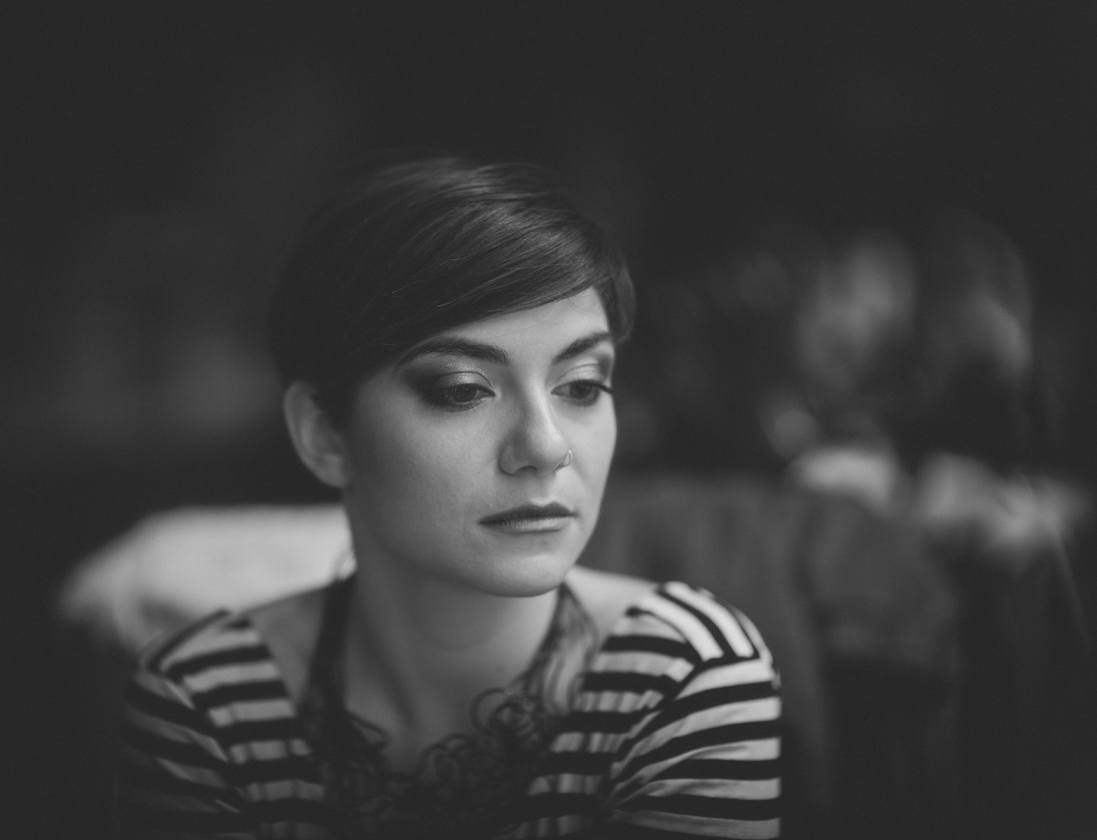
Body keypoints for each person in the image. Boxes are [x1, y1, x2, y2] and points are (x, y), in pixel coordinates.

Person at [115, 155, 782, 839]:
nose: (546, 446)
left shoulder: (686, 675)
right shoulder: (201, 701)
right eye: (463, 390)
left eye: (582, 386)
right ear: (325, 433)